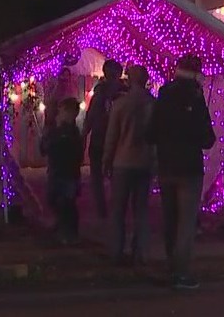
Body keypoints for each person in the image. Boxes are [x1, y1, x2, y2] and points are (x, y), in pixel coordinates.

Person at [147, 55, 216, 290]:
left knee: (170, 218)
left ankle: (170, 265)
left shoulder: (165, 94)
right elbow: (208, 138)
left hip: (166, 165)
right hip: (189, 167)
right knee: (186, 222)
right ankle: (181, 271)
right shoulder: (195, 97)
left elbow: (151, 131)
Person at [102, 65, 155, 265]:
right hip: (144, 161)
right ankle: (140, 251)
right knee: (141, 209)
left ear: (130, 80)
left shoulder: (120, 104)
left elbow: (112, 136)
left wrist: (107, 160)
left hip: (122, 162)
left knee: (118, 209)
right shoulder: (153, 104)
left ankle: (116, 250)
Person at [83, 60, 128, 219]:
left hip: (104, 139)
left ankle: (104, 210)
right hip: (117, 140)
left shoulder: (102, 92)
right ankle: (115, 208)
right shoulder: (125, 92)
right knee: (115, 176)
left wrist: (84, 134)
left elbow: (91, 116)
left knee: (99, 178)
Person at [40, 98, 83, 245]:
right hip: (56, 170)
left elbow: (76, 152)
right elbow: (45, 148)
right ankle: (63, 228)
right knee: (54, 198)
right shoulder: (55, 130)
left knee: (67, 203)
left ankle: (69, 232)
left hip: (68, 172)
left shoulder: (73, 132)